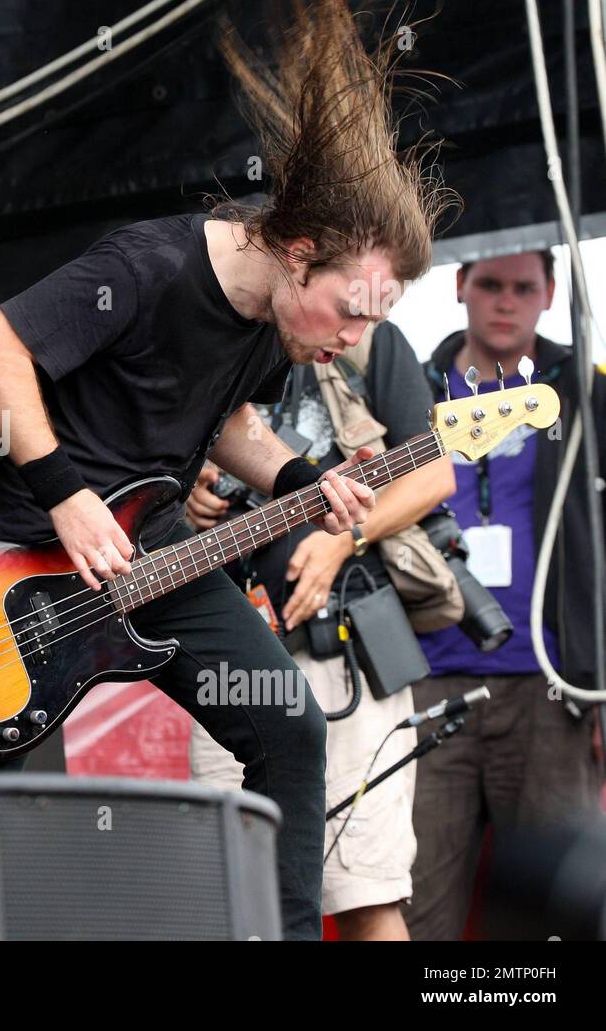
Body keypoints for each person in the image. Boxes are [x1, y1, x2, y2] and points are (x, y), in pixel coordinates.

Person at [0, 0, 456, 940]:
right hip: (34, 552)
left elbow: (224, 425)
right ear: (298, 256)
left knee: (287, 731)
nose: (355, 340)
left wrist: (305, 476)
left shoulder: (275, 325)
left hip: (156, 544)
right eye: (349, 310)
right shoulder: (145, 266)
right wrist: (66, 490)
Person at [185, 319, 454, 940]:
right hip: (226, 666)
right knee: (234, 899)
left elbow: (435, 474)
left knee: (364, 890)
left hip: (342, 654)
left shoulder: (367, 343)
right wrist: (192, 492)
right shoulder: (208, 336)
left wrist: (343, 543)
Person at [406, 249, 606, 939]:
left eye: (524, 287)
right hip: (426, 682)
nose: (505, 301)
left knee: (550, 911)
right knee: (417, 905)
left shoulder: (587, 390)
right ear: (459, 284)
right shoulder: (407, 384)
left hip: (551, 687)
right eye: (489, 284)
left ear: (550, 294)